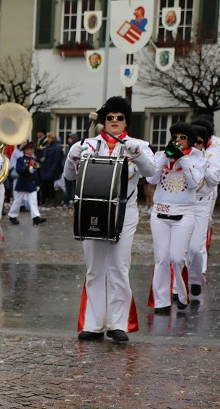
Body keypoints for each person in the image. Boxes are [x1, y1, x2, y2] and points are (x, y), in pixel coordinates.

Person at [63, 97, 156, 342]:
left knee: (118, 266)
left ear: (126, 121)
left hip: (123, 213)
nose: (114, 121)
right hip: (92, 209)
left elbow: (152, 175)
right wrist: (72, 156)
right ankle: (93, 324)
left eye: (120, 118)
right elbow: (69, 175)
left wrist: (139, 156)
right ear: (103, 121)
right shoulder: (89, 144)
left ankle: (118, 323)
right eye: (110, 118)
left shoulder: (139, 145)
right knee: (95, 268)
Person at [147, 121, 205, 314]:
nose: (178, 141)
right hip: (160, 212)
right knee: (161, 258)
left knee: (176, 258)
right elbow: (150, 179)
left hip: (184, 212)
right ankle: (161, 302)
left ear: (189, 140)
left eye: (182, 138)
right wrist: (165, 158)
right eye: (175, 137)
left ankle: (181, 294)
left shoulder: (197, 158)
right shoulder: (160, 156)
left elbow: (194, 183)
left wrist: (183, 160)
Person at [186, 122, 220, 297]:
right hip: (184, 203)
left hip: (202, 202)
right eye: (193, 141)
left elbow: (214, 179)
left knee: (196, 247)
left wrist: (200, 164)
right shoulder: (184, 155)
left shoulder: (212, 155)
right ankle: (178, 285)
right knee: (180, 248)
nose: (195, 146)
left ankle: (196, 277)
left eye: (199, 142)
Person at [7, 142, 45, 225]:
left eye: (32, 149)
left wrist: (38, 183)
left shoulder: (34, 160)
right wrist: (28, 169)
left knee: (33, 200)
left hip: (31, 183)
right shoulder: (20, 159)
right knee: (18, 200)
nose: (31, 151)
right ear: (25, 151)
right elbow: (19, 170)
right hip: (22, 182)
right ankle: (12, 215)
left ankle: (36, 217)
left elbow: (36, 173)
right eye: (29, 149)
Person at [39, 133, 63, 205]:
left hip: (51, 169)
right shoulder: (47, 147)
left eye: (50, 138)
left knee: (51, 186)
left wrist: (53, 169)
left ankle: (52, 200)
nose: (48, 139)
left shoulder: (57, 147)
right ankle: (46, 199)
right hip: (45, 169)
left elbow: (57, 159)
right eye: (48, 138)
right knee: (45, 185)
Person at [61, 133, 78, 207]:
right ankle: (66, 201)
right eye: (68, 138)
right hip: (67, 170)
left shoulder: (76, 148)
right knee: (67, 187)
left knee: (74, 187)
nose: (69, 140)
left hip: (74, 171)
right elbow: (65, 158)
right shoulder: (68, 147)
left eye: (70, 139)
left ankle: (73, 200)